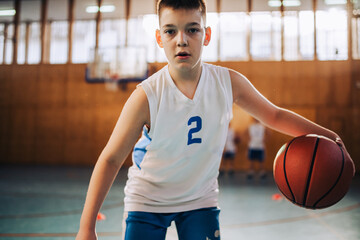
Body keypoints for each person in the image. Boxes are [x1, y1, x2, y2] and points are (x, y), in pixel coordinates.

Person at [76, 0, 355, 239]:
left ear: (206, 35)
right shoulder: (146, 96)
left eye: (192, 30)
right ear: (160, 39)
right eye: (170, 31)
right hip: (147, 199)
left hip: (200, 199)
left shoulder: (228, 82)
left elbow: (274, 114)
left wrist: (330, 136)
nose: (182, 40)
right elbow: (110, 159)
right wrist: (87, 227)